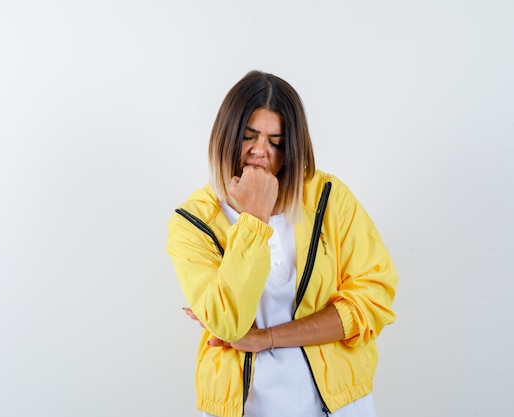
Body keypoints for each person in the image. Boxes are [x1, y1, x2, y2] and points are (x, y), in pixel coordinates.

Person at [166, 70, 398, 417]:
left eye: (276, 141)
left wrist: (267, 337)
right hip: (243, 408)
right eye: (249, 136)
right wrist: (255, 217)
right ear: (225, 136)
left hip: (340, 406)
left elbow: (373, 300)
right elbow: (229, 323)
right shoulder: (192, 223)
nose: (261, 151)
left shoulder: (329, 198)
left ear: (291, 148)